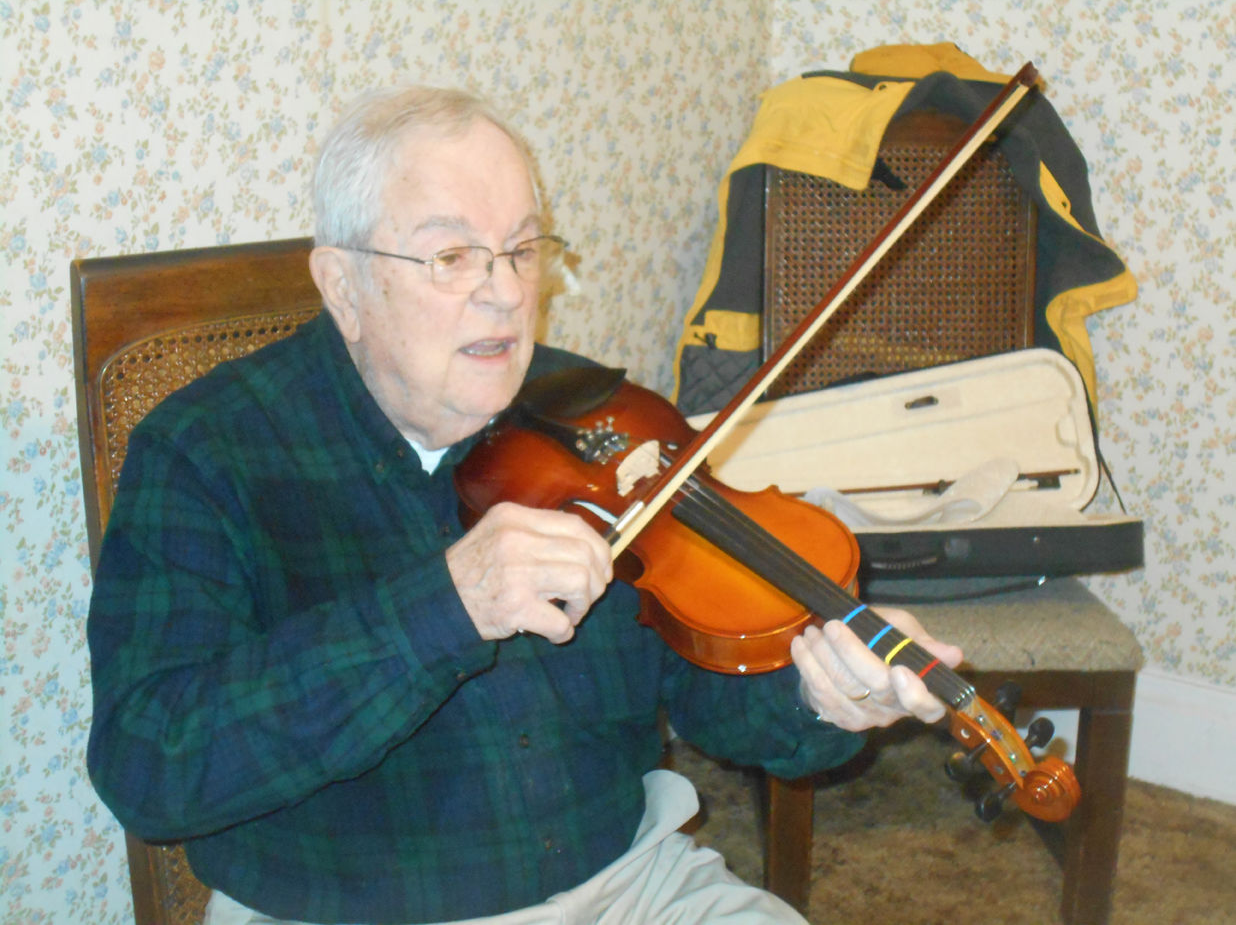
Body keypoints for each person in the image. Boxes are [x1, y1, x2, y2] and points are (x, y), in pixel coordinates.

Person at [86, 85, 962, 925]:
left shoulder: (604, 421)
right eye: (451, 255)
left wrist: (823, 697)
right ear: (344, 287)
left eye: (522, 248)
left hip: (631, 885)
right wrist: (445, 607)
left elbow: (710, 694)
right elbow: (150, 766)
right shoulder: (208, 451)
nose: (505, 291)